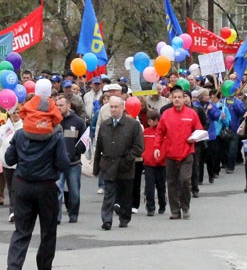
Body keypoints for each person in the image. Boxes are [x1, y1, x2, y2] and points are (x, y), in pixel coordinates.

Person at [4, 106, 69, 270]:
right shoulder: (56, 135)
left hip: (23, 185)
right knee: (48, 232)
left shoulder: (20, 134)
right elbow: (63, 163)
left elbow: (9, 159)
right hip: (46, 186)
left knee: (22, 230)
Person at [94, 96, 144, 230]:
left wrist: (128, 159)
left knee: (125, 194)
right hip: (109, 165)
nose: (113, 110)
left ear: (123, 108)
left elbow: (139, 147)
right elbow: (99, 147)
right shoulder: (105, 125)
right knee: (109, 194)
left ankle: (124, 218)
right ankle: (107, 220)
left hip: (125, 166)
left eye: (116, 107)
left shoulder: (133, 125)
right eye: (111, 107)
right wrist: (96, 167)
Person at [154, 86, 200, 220]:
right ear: (171, 99)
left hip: (187, 153)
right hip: (170, 153)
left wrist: (194, 138)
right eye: (175, 98)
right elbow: (159, 132)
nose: (177, 100)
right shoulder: (166, 114)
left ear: (184, 99)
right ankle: (175, 210)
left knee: (185, 180)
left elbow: (199, 130)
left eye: (180, 97)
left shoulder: (191, 114)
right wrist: (157, 147)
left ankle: (185, 206)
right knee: (172, 182)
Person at [55, 94, 87, 224]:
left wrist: (74, 152)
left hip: (73, 163)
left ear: (68, 106)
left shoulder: (78, 122)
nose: (58, 108)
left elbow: (85, 141)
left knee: (74, 192)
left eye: (61, 105)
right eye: (57, 105)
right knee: (57, 191)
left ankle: (73, 214)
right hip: (57, 164)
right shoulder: (54, 121)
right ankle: (56, 217)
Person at [141, 109, 166, 216]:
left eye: (150, 121)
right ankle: (150, 207)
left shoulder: (163, 133)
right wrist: (144, 155)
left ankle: (162, 204)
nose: (149, 123)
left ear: (156, 120)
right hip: (148, 163)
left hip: (161, 164)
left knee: (161, 186)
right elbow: (143, 145)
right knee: (149, 187)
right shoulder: (146, 132)